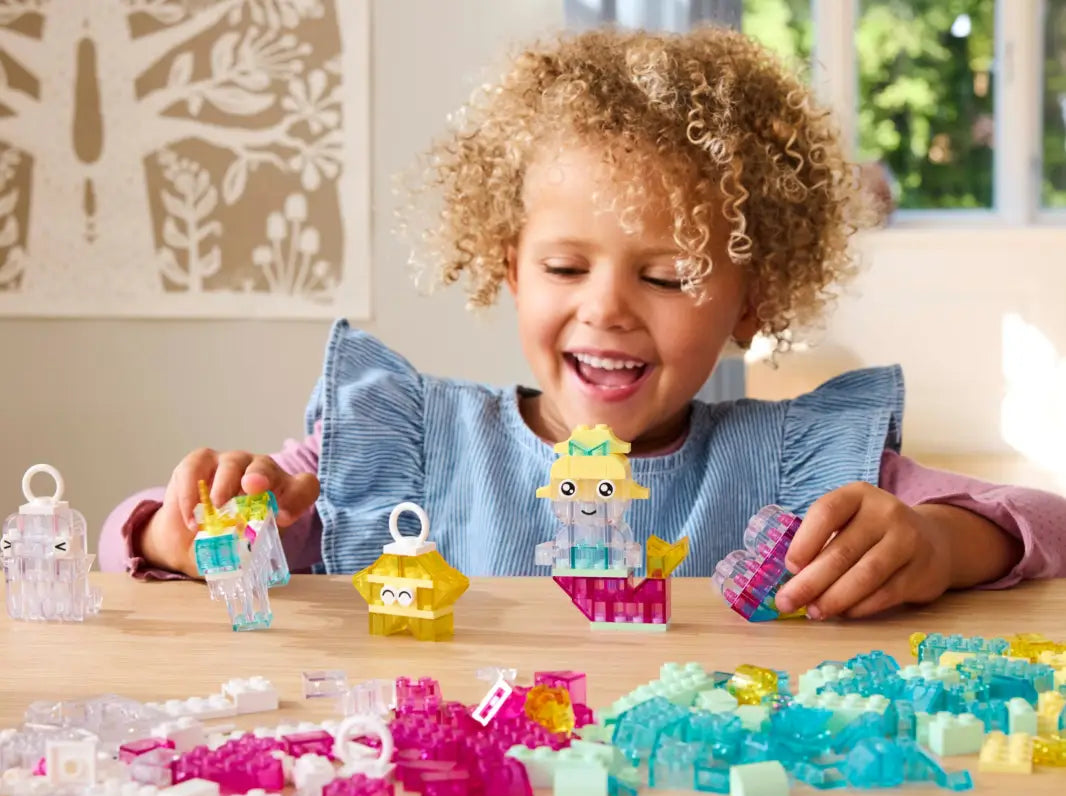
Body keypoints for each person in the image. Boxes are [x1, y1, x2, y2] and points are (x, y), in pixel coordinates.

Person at [100, 26, 1066, 619]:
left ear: (753, 301)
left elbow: (1044, 525)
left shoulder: (796, 468)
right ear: (507, 267)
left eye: (668, 276)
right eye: (565, 267)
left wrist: (936, 545)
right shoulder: (407, 447)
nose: (606, 307)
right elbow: (136, 540)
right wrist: (181, 531)